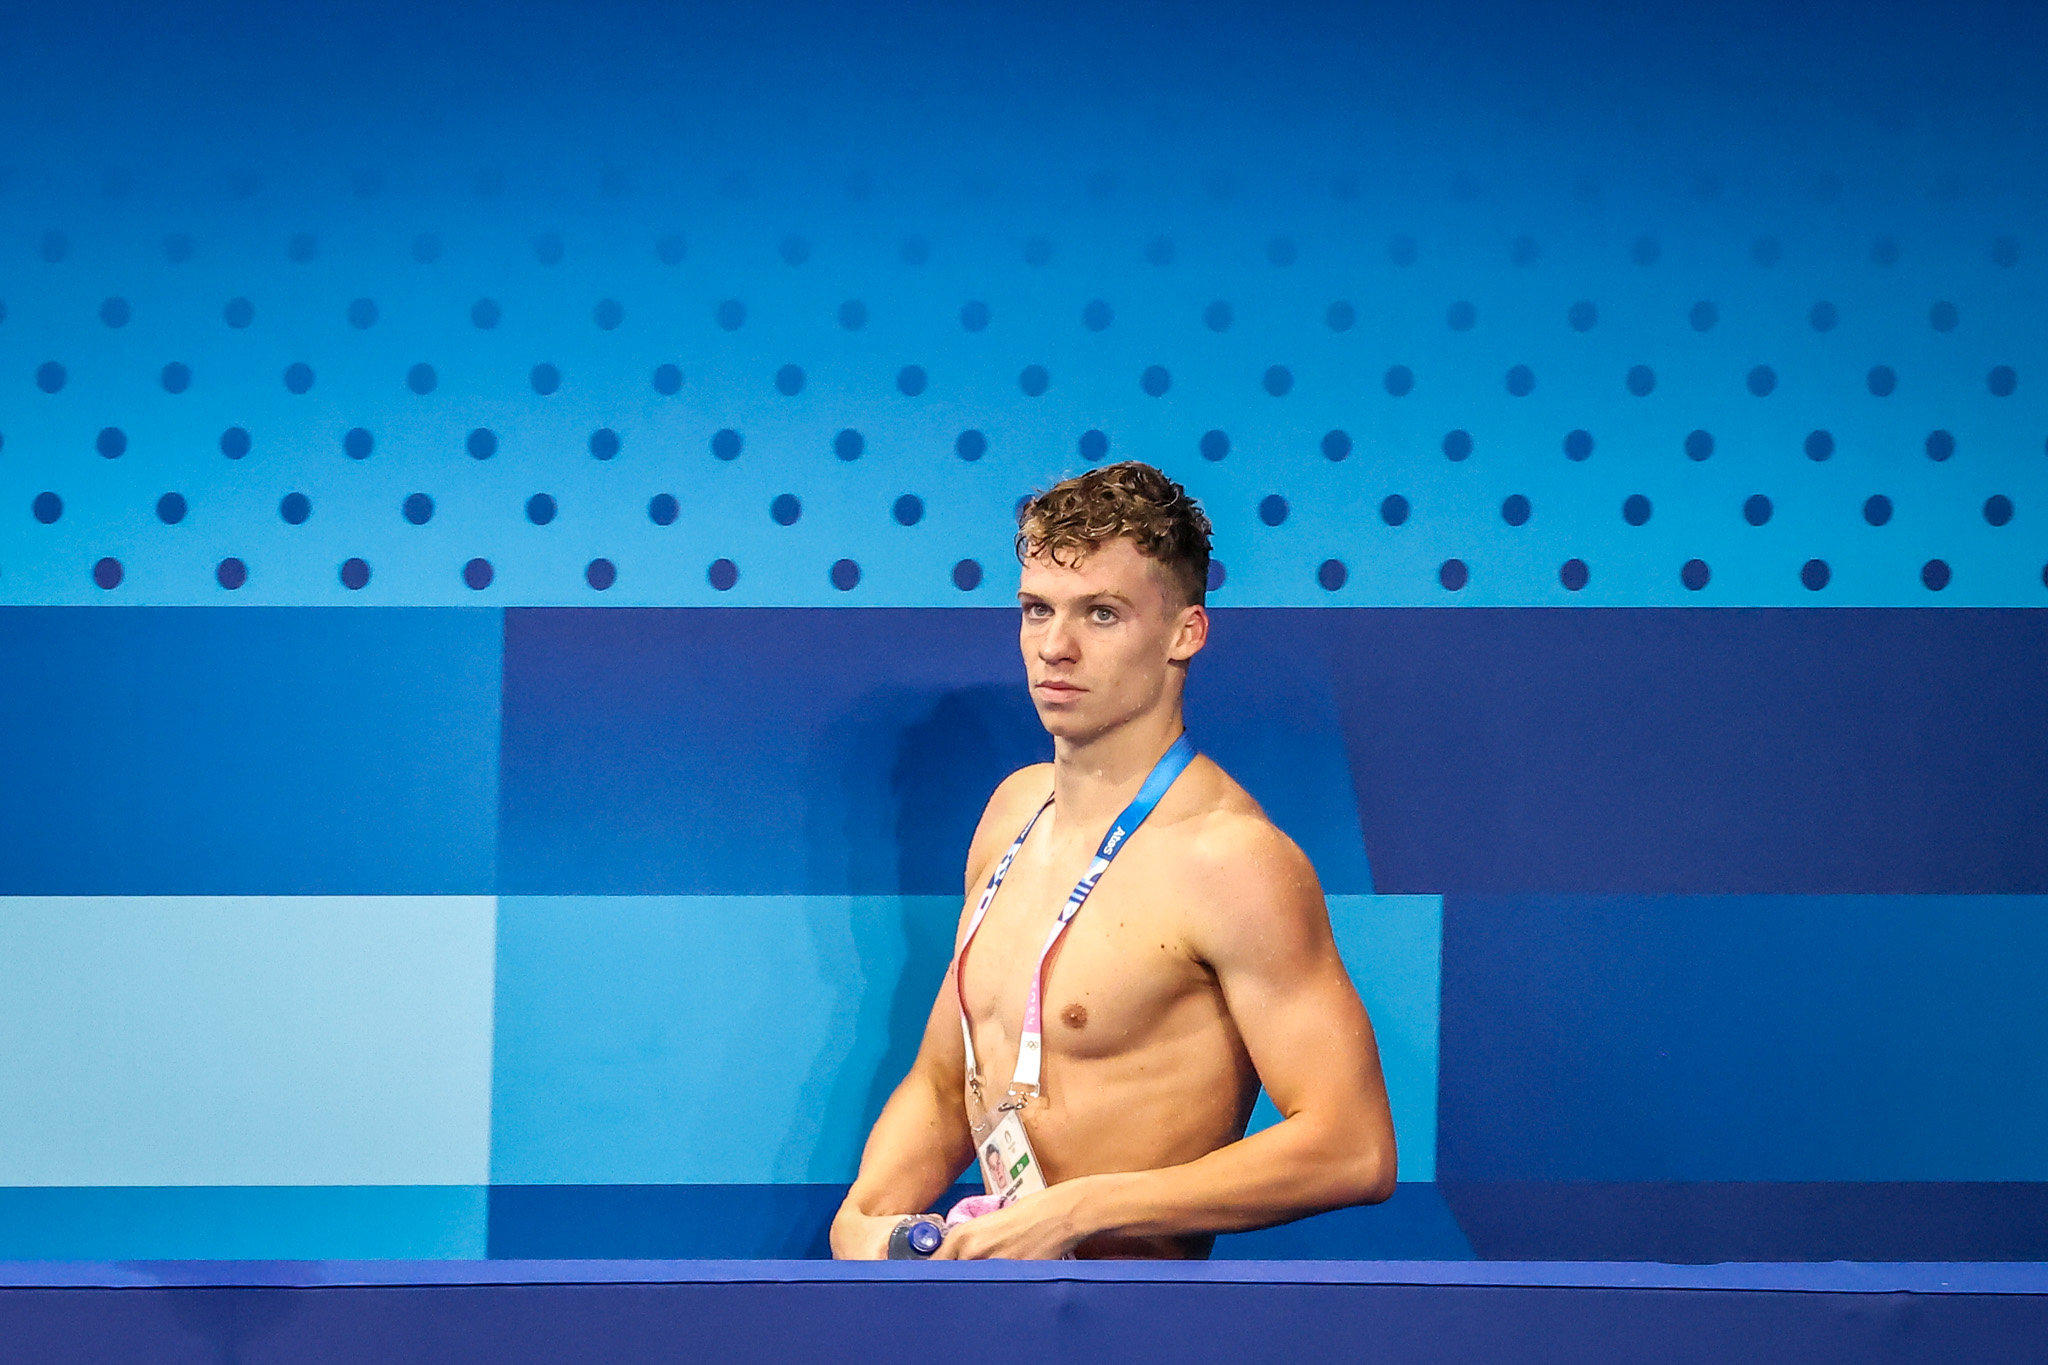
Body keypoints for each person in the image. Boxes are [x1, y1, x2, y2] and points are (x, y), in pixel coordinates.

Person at [830, 461, 1397, 1260]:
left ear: (1185, 632)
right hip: (986, 1315)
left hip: (1135, 1324)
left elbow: (1353, 1146)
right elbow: (944, 1074)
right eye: (1036, 610)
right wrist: (870, 1217)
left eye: (1101, 613)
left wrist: (1081, 1209)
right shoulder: (1011, 813)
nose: (1054, 647)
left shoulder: (1233, 858)